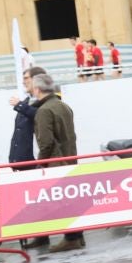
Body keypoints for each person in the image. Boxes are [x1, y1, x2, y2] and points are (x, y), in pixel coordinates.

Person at [30, 73, 85, 253]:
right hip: (70, 158)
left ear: (37, 89)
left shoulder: (44, 111)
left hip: (56, 164)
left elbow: (46, 142)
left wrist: (41, 163)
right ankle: (78, 236)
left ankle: (71, 238)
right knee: (72, 201)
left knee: (62, 203)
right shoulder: (64, 106)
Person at [9, 66, 51, 248]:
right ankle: (41, 235)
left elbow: (40, 118)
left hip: (34, 160)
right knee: (33, 203)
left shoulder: (44, 102)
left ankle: (48, 235)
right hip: (23, 160)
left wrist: (20, 106)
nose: (24, 81)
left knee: (41, 201)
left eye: (26, 78)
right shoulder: (28, 101)